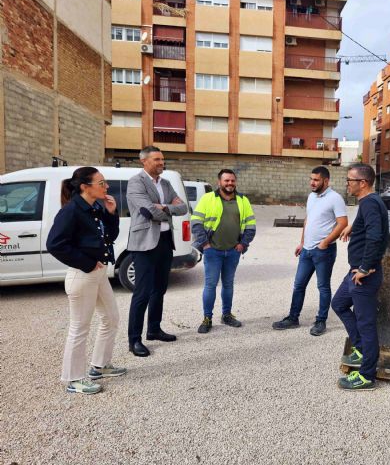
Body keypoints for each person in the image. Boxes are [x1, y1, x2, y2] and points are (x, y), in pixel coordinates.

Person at [47, 167, 126, 394]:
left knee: (111, 318)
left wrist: (111, 214)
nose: (106, 186)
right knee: (79, 328)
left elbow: (109, 237)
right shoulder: (71, 211)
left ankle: (99, 366)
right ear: (85, 186)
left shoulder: (95, 208)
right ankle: (74, 379)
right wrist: (87, 263)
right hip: (82, 276)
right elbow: (55, 244)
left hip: (98, 275)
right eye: (101, 183)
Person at [331, 163, 389, 390]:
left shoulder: (371, 203)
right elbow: (369, 227)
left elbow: (376, 237)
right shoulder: (368, 203)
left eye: (350, 180)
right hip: (355, 272)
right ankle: (360, 349)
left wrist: (366, 267)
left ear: (362, 183)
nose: (347, 184)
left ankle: (366, 375)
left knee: (366, 324)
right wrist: (352, 227)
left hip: (363, 275)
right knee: (339, 303)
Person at [126, 146, 188, 357]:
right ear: (143, 161)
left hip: (164, 242)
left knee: (159, 289)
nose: (162, 163)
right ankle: (134, 340)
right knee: (141, 293)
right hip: (144, 243)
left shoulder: (167, 183)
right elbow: (147, 211)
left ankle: (154, 329)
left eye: (162, 159)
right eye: (157, 160)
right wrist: (165, 208)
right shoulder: (136, 182)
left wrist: (164, 207)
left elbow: (183, 209)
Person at [272, 166, 348, 336]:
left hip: (324, 251)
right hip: (306, 251)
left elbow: (343, 223)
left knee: (323, 287)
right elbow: (308, 219)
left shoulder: (335, 198)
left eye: (316, 180)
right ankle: (293, 318)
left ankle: (321, 321)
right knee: (299, 285)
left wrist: (325, 242)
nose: (312, 183)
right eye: (311, 179)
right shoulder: (311, 197)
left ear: (326, 181)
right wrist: (302, 242)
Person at [191, 169, 256, 332]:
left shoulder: (243, 200)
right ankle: (207, 318)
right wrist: (205, 244)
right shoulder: (208, 199)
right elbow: (196, 222)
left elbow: (251, 225)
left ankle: (227, 315)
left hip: (233, 251)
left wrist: (243, 245)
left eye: (232, 180)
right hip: (213, 251)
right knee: (210, 285)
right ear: (219, 182)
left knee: (228, 284)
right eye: (226, 180)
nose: (230, 183)